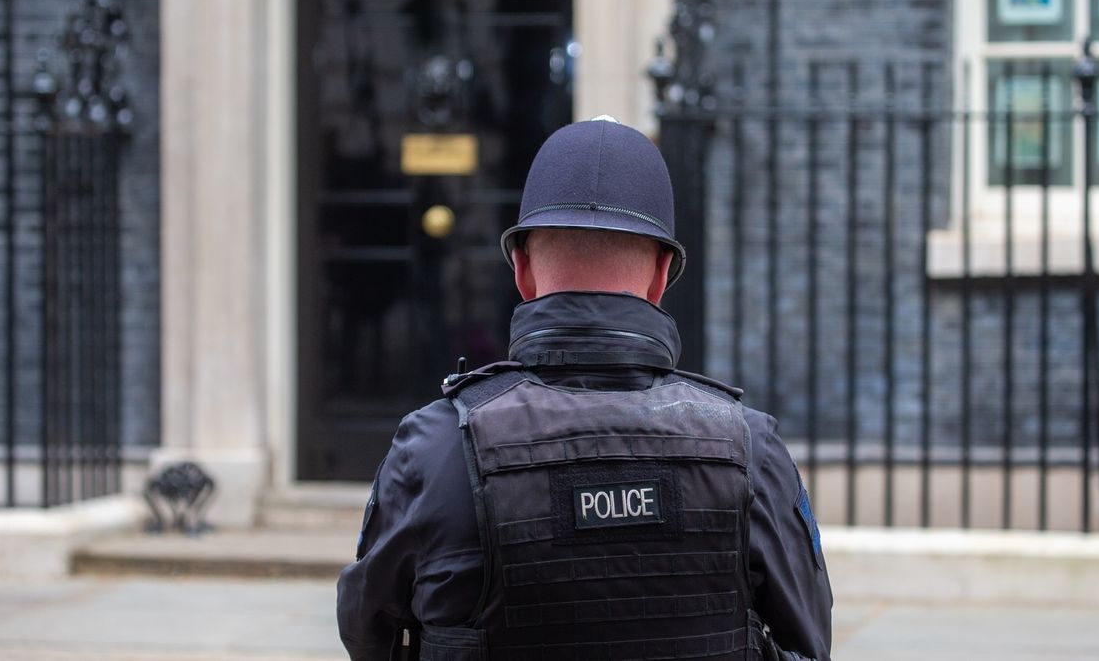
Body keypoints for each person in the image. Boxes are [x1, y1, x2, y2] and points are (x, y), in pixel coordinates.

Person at [337, 117, 833, 661]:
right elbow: (807, 642)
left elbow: (369, 632)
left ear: (522, 269)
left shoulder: (433, 448)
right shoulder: (749, 449)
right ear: (661, 276)